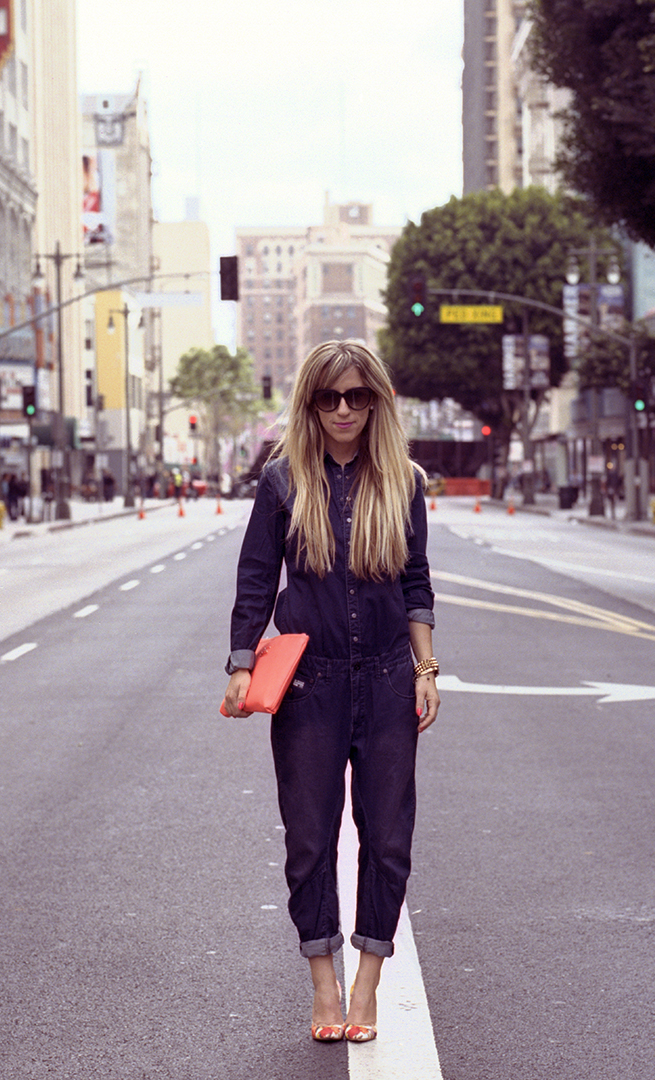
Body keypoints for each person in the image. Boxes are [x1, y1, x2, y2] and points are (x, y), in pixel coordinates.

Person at [221, 340, 440, 1046]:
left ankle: (368, 983)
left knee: (387, 838)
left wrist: (426, 669)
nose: (344, 410)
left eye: (357, 396)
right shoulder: (283, 481)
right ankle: (324, 981)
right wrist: (239, 664)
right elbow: (257, 577)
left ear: (376, 400)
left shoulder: (403, 480)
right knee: (310, 841)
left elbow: (417, 581)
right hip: (308, 688)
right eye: (329, 397)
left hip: (385, 681)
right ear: (310, 403)